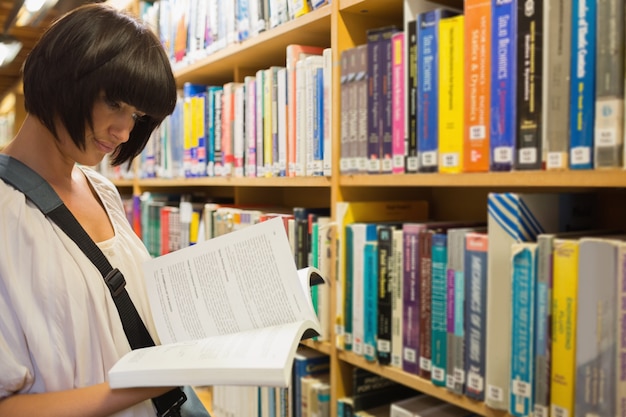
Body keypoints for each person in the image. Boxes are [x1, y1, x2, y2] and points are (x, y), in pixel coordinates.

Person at [0, 4, 209, 417]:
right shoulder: (7, 213)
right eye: (114, 103)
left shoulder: (103, 190)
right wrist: (145, 383)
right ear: (62, 77)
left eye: (135, 115)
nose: (125, 131)